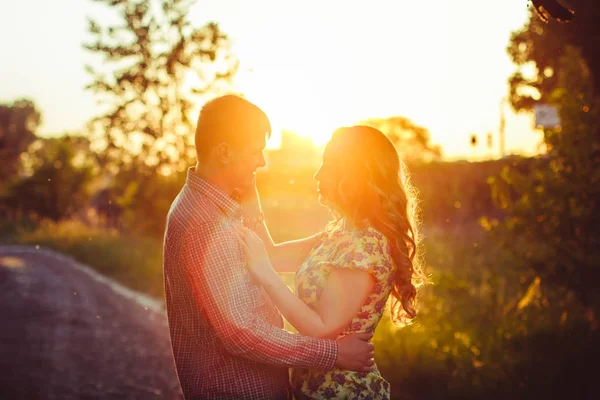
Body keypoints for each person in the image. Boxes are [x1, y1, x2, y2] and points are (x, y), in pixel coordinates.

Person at [162, 95, 375, 400]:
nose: (261, 161)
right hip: (237, 389)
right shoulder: (204, 222)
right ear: (224, 152)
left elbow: (268, 256)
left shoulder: (209, 205)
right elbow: (241, 332)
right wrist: (333, 353)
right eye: (255, 152)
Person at [235, 125, 425, 399]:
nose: (317, 174)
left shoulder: (365, 244)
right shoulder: (340, 232)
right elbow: (274, 256)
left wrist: (264, 274)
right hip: (313, 387)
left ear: (353, 175)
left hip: (344, 391)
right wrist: (250, 194)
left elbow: (322, 329)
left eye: (327, 165)